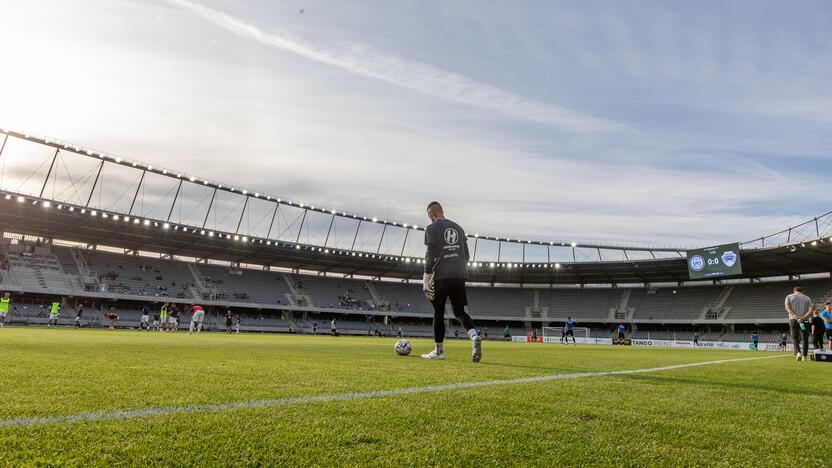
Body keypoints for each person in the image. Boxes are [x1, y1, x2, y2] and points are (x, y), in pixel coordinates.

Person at [420, 202, 481, 362]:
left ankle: (439, 351)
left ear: (432, 213)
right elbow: (466, 255)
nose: (429, 218)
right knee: (459, 311)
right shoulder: (458, 228)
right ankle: (474, 336)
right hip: (460, 274)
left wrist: (426, 274)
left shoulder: (431, 228)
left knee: (438, 312)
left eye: (429, 215)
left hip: (442, 274)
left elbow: (430, 252)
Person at [784, 287, 813, 361]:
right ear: (802, 291)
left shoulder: (789, 296)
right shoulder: (808, 298)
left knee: (794, 337)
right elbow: (810, 310)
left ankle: (798, 352)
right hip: (805, 320)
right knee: (805, 338)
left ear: (794, 291)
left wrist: (795, 316)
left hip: (793, 319)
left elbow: (788, 308)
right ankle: (805, 356)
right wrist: (803, 317)